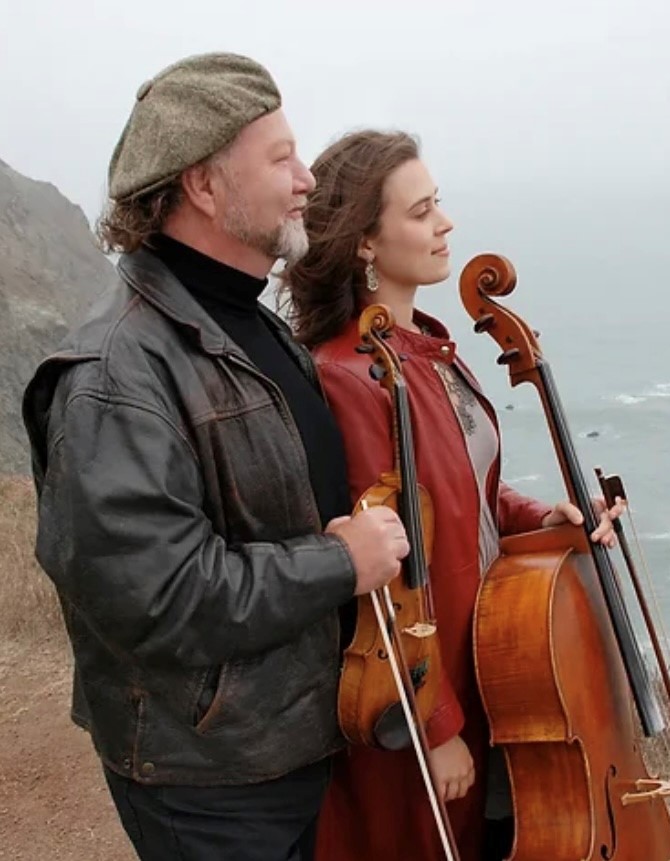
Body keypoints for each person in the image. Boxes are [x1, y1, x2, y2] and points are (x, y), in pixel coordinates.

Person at [21, 54, 409, 861]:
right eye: (280, 158)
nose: (307, 178)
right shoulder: (115, 375)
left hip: (283, 741)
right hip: (209, 776)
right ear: (203, 185)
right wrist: (339, 562)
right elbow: (159, 596)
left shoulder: (251, 325)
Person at [283, 130, 622, 861]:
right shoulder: (351, 377)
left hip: (487, 671)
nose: (446, 224)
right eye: (422, 210)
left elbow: (466, 495)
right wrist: (433, 727)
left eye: (439, 204)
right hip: (421, 697)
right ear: (366, 243)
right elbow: (383, 580)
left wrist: (541, 516)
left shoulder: (429, 349)